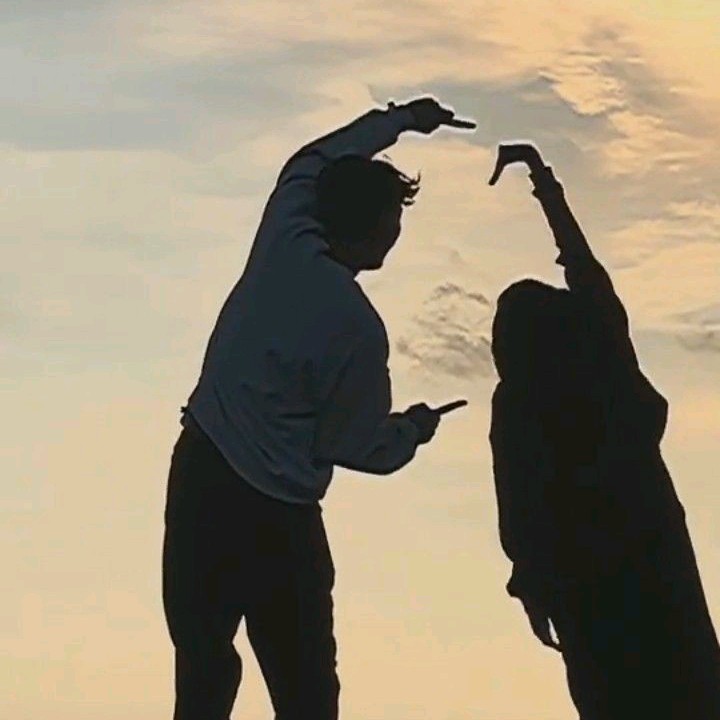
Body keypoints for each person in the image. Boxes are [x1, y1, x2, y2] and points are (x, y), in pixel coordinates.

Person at [162, 97, 474, 720]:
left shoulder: (284, 231)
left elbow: (315, 157)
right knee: (306, 695)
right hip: (277, 521)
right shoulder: (357, 329)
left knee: (202, 671)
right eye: (393, 221)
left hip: (202, 478)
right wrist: (412, 430)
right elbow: (352, 444)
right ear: (375, 233)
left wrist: (401, 120)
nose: (397, 233)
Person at [488, 142, 720, 719]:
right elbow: (583, 265)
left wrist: (532, 588)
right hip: (657, 561)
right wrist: (541, 178)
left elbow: (519, 508)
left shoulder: (519, 404)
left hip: (584, 586)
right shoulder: (604, 354)